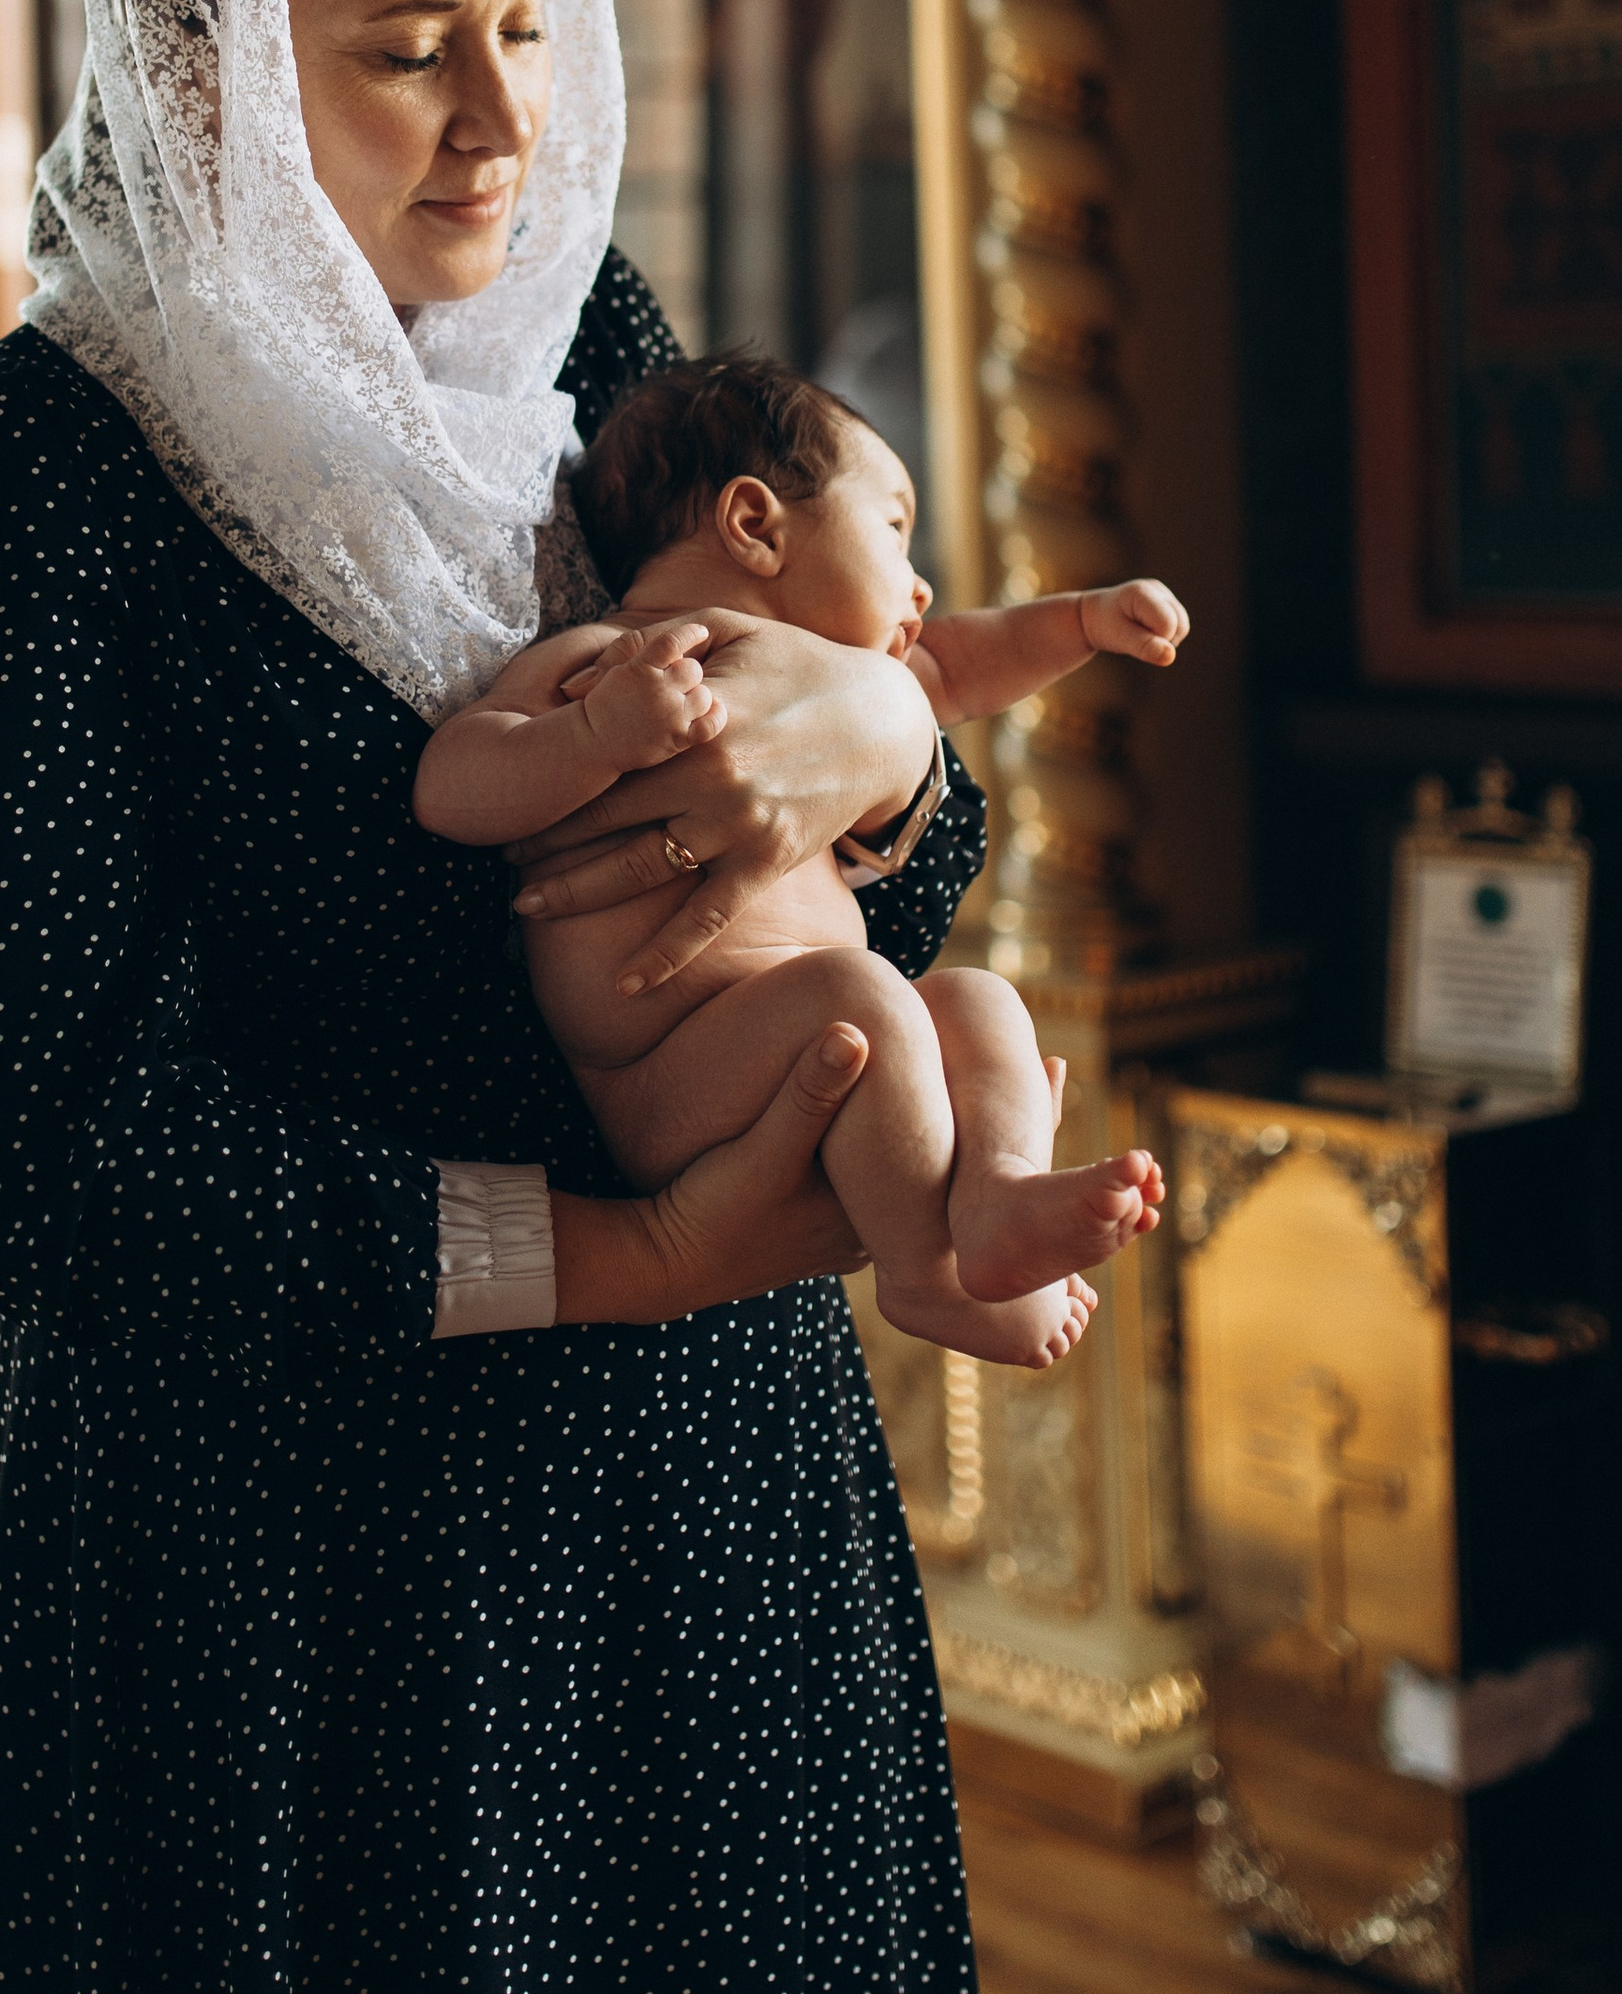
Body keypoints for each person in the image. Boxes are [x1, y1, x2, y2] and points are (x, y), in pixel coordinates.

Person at [0, 0, 1026, 1994]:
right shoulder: (8, 480)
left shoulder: (605, 378)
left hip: (704, 1553)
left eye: (524, 26)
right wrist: (600, 1253)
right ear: (216, 66)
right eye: (402, 55)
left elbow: (916, 851)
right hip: (276, 1611)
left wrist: (879, 745)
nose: (501, 127)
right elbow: (1, 1138)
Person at [416, 351, 1181, 1367]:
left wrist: (1081, 621)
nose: (920, 585)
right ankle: (927, 1281)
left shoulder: (845, 673)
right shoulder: (604, 659)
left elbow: (952, 664)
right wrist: (594, 737)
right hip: (661, 1071)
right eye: (894, 528)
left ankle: (997, 1196)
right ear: (754, 526)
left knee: (976, 1002)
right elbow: (451, 784)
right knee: (863, 1001)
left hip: (799, 1027)